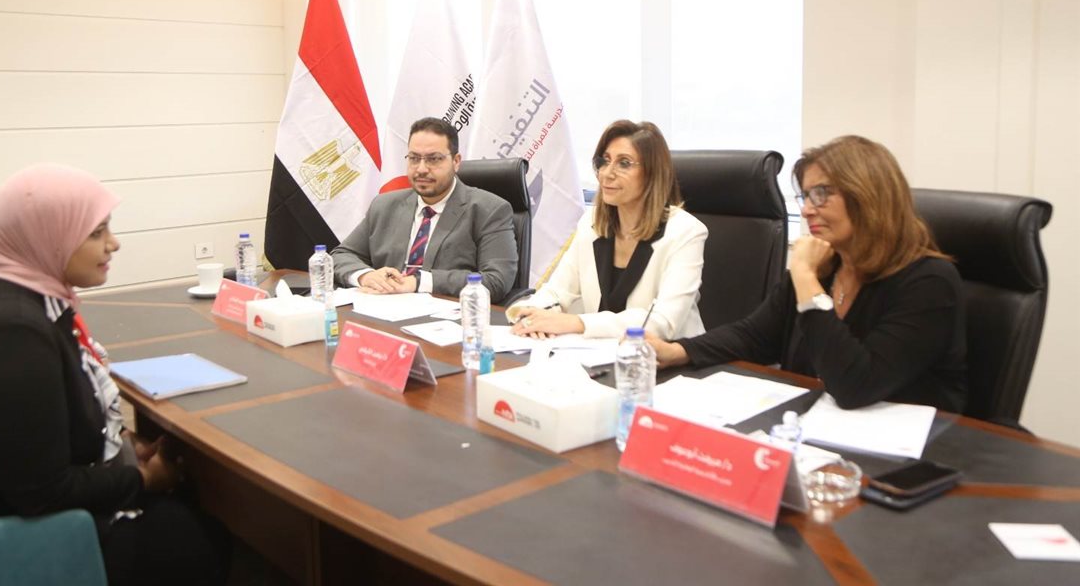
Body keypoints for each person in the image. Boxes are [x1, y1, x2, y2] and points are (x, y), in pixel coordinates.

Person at [0, 164, 228, 585]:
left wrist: (121, 447)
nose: (114, 243)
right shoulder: (10, 330)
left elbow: (41, 426)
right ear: (47, 236)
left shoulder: (19, 297)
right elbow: (42, 492)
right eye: (96, 232)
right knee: (195, 540)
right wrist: (141, 479)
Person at [649, 135, 967, 411]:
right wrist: (679, 351)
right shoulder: (826, 267)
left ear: (867, 196)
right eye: (806, 195)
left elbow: (855, 385)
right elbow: (754, 336)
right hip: (817, 427)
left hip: (917, 448)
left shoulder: (929, 282)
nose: (806, 210)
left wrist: (805, 278)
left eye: (821, 194)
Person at [509, 120, 707, 340]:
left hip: (667, 355)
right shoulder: (591, 223)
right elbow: (557, 291)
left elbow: (663, 322)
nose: (607, 173)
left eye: (624, 163)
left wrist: (577, 322)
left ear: (653, 173)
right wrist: (531, 315)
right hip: (603, 352)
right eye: (604, 161)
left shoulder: (686, 232)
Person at [332, 117, 518, 300]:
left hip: (445, 315)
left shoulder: (489, 210)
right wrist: (366, 276)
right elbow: (341, 255)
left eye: (433, 159)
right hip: (382, 309)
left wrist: (418, 282)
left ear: (456, 161)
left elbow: (496, 280)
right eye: (414, 158)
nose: (421, 169)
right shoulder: (384, 205)